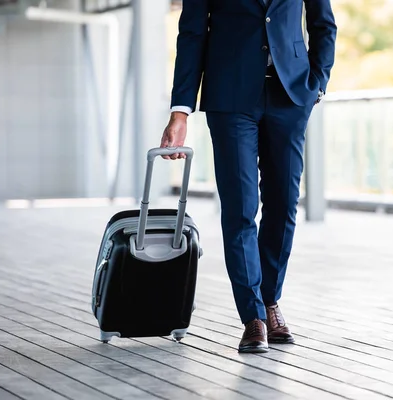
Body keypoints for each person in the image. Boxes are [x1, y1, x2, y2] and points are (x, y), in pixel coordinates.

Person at [160, 0, 336, 353]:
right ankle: (253, 316)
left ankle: (271, 301)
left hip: (290, 95)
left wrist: (318, 83)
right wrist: (181, 110)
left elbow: (323, 24)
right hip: (231, 97)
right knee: (241, 208)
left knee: (283, 204)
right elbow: (192, 32)